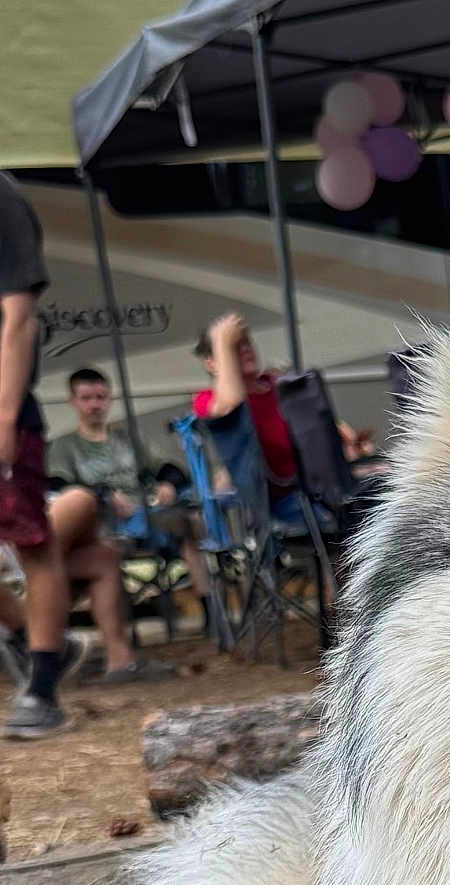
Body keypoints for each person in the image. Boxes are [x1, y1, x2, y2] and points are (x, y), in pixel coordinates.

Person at [49, 367, 216, 634]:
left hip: (148, 515)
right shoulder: (65, 446)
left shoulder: (127, 438)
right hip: (103, 525)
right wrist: (101, 494)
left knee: (189, 521)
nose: (95, 405)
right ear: (73, 401)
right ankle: (119, 629)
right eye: (87, 398)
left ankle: (211, 611)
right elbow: (58, 485)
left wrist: (167, 484)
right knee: (107, 549)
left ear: (109, 398)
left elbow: (169, 467)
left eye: (100, 397)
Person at [0, 171, 74, 738]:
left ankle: (44, 688)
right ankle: (46, 640)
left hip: (4, 411)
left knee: (31, 543)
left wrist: (3, 417)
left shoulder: (3, 198)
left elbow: (18, 319)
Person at [192, 314, 370, 527]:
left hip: (322, 486)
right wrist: (222, 340)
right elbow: (231, 407)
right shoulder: (208, 400)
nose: (246, 349)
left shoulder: (278, 384)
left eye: (247, 343)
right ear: (212, 363)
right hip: (282, 502)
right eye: (235, 347)